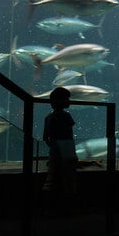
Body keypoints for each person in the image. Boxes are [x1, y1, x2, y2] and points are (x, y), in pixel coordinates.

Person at [42, 86, 78, 216]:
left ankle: (50, 209)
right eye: (67, 99)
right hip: (67, 151)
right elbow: (69, 134)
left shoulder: (48, 117)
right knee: (68, 180)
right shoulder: (66, 116)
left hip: (54, 151)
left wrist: (53, 148)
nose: (69, 102)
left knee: (52, 179)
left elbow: (45, 137)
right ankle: (68, 209)